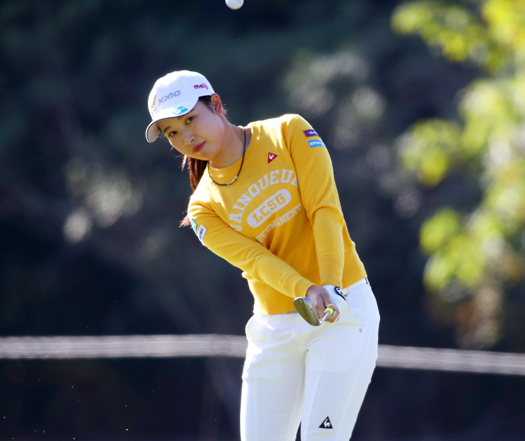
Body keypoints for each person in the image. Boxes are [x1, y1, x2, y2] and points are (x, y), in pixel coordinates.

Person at [144, 70, 379, 441]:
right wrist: (305, 289)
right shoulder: (203, 208)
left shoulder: (289, 132)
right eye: (173, 132)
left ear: (216, 105)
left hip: (343, 308)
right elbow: (256, 261)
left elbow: (325, 210)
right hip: (275, 329)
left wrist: (329, 285)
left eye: (190, 119)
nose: (186, 137)